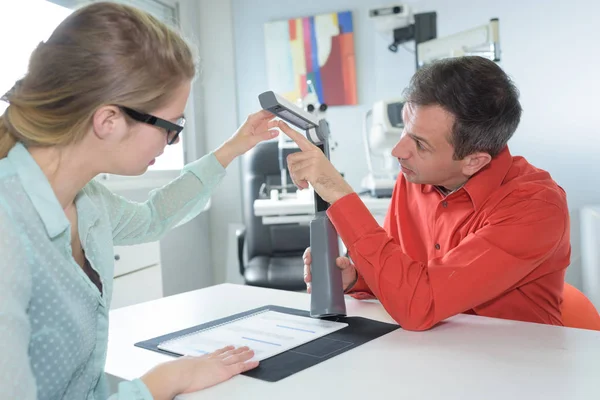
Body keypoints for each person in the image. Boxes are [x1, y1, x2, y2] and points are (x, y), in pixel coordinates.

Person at [0, 3, 278, 400]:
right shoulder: (7, 226)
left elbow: (153, 217)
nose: (171, 141)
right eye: (170, 127)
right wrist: (160, 384)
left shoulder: (88, 202)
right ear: (109, 120)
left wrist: (233, 148)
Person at [279, 56, 571, 332]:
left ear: (474, 161)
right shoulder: (415, 176)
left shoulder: (536, 207)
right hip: (434, 356)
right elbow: (402, 274)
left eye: (420, 144)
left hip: (522, 366)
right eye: (406, 129)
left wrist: (340, 196)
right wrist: (357, 278)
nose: (398, 151)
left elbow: (420, 303)